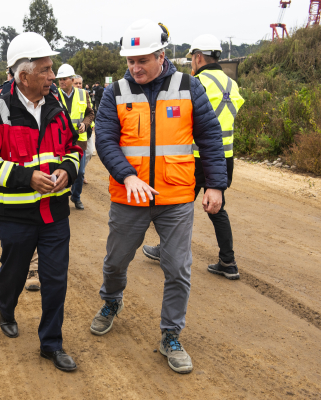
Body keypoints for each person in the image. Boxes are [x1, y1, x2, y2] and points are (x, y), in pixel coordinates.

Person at [90, 19, 227, 375]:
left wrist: (215, 185)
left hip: (176, 197)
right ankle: (111, 300)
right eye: (130, 61)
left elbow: (210, 136)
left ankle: (170, 336)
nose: (135, 67)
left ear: (162, 56)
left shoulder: (188, 87)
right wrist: (128, 175)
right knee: (116, 261)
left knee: (178, 268)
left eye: (143, 60)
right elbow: (104, 139)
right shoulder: (115, 92)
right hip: (128, 196)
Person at [0, 32, 83, 372]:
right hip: (14, 216)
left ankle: (51, 344)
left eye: (52, 70)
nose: (53, 76)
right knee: (15, 272)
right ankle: (7, 308)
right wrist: (26, 177)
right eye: (46, 70)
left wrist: (68, 169)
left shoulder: (57, 108)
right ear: (24, 76)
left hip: (55, 214)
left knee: (55, 279)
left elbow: (76, 148)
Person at [142, 34, 244, 280]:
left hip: (197, 156)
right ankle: (228, 261)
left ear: (198, 57)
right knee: (217, 209)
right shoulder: (232, 84)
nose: (191, 64)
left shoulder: (196, 83)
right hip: (224, 157)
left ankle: (166, 250)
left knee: (174, 207)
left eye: (192, 59)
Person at [56, 65, 94, 210]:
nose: (62, 82)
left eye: (64, 79)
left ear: (72, 80)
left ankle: (76, 196)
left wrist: (85, 124)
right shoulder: (54, 95)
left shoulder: (83, 94)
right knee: (61, 169)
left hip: (79, 140)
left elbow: (90, 113)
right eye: (60, 79)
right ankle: (61, 198)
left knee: (80, 171)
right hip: (61, 140)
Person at [76, 75, 95, 185]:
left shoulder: (85, 94)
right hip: (76, 133)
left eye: (80, 83)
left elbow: (90, 111)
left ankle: (81, 172)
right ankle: (79, 174)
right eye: (76, 83)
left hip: (87, 130)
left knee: (89, 152)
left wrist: (91, 124)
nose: (78, 85)